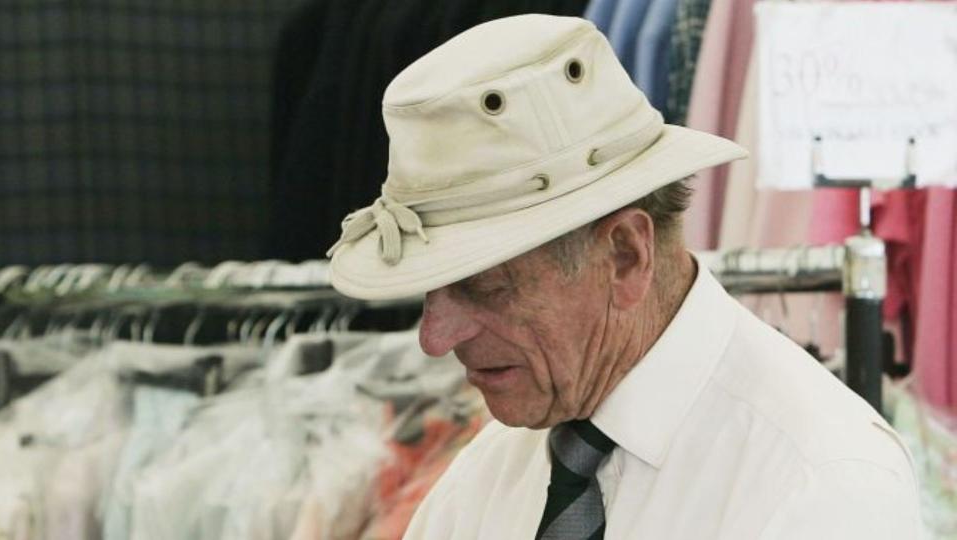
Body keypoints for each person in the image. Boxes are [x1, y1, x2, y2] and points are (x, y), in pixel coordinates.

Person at [327, 14, 925, 540]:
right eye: (432, 289)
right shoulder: (482, 482)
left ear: (626, 256)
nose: (435, 338)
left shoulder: (821, 485)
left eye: (484, 287)